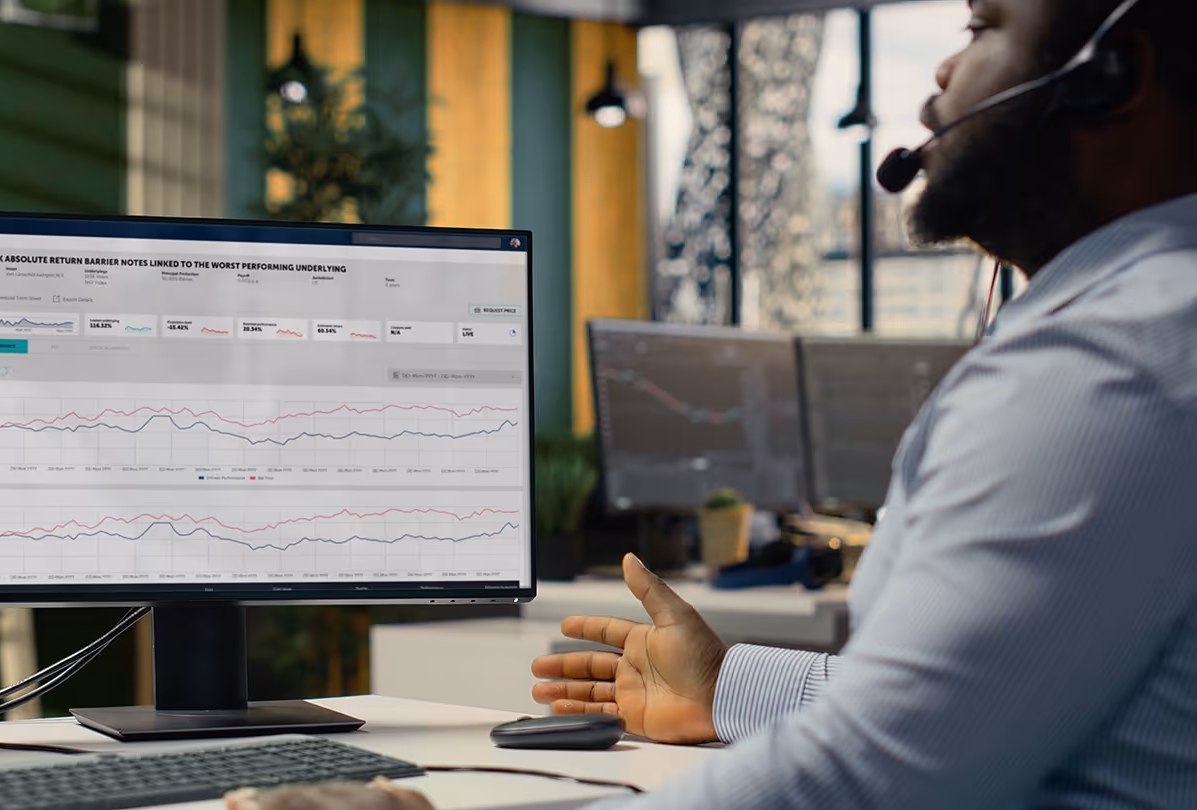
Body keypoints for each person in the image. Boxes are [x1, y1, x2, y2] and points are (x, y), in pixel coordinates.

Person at [230, 0, 1197, 806]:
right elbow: (976, 704)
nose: (940, 74)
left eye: (983, 26)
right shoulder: (1145, 331)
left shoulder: (1107, 365)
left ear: (1111, 74)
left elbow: (869, 781)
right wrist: (731, 683)